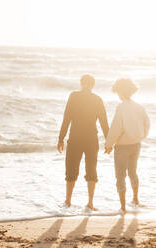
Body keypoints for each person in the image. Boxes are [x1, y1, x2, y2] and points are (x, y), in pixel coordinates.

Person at [57, 74, 109, 210]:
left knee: (71, 170)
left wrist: (61, 138)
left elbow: (66, 118)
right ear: (93, 85)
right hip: (91, 139)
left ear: (82, 83)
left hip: (76, 138)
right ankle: (89, 203)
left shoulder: (74, 96)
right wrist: (109, 141)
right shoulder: (97, 99)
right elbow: (104, 122)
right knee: (90, 169)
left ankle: (68, 201)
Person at [105, 78, 150, 213]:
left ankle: (123, 207)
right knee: (132, 172)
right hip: (136, 145)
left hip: (122, 146)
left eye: (118, 91)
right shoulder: (139, 107)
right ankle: (135, 199)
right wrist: (141, 136)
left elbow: (116, 127)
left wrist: (109, 144)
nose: (117, 94)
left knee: (120, 175)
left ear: (120, 91)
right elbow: (147, 124)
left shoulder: (121, 107)